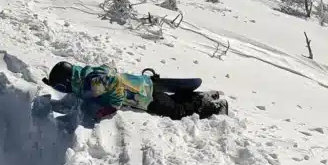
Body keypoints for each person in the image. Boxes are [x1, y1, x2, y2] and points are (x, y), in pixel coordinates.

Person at [41, 61, 228, 121]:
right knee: (172, 101)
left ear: (67, 81)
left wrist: (112, 106)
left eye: (59, 88)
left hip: (142, 95)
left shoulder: (90, 82)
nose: (62, 91)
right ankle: (199, 96)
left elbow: (113, 82)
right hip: (142, 84)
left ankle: (213, 105)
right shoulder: (84, 77)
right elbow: (109, 68)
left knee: (176, 111)